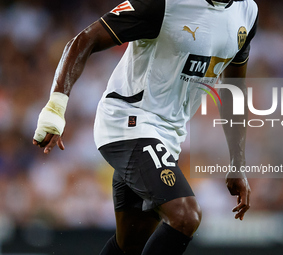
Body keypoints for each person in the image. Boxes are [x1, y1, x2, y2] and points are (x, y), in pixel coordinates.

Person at [33, 0, 258, 254]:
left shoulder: (247, 12)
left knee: (131, 243)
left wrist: (238, 163)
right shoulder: (164, 3)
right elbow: (86, 39)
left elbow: (234, 90)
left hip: (168, 136)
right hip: (128, 121)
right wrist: (55, 108)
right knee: (186, 215)